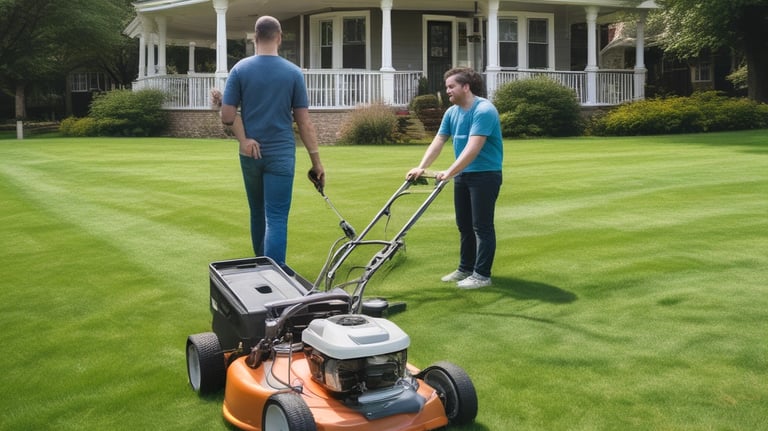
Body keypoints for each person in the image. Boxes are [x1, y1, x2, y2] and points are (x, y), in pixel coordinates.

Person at [220, 15, 324, 272]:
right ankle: (275, 275)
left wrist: (244, 140)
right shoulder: (292, 73)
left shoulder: (239, 70)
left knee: (257, 212)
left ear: (255, 38)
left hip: (250, 154)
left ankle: (260, 269)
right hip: (281, 155)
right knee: (275, 217)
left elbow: (227, 116)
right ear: (279, 38)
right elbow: (305, 123)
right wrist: (316, 163)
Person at [406, 67, 503, 289]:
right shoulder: (452, 113)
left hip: (485, 175)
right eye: (447, 86)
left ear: (465, 87)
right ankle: (465, 268)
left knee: (482, 226)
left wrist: (448, 172)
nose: (447, 90)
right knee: (464, 225)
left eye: (451, 86)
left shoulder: (484, 110)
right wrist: (421, 167)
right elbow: (438, 141)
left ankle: (482, 275)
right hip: (463, 175)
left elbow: (473, 148)